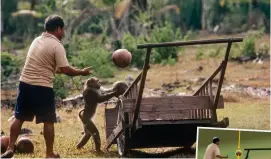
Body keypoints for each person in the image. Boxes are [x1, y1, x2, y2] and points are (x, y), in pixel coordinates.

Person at [1, 15, 92, 158]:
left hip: (24, 83)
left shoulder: (36, 41)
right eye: (63, 30)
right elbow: (66, 69)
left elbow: (51, 66)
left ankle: (10, 148)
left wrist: (62, 70)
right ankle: (49, 154)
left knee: (19, 117)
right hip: (42, 87)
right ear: (58, 29)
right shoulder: (57, 46)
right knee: (49, 120)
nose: (64, 33)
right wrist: (82, 72)